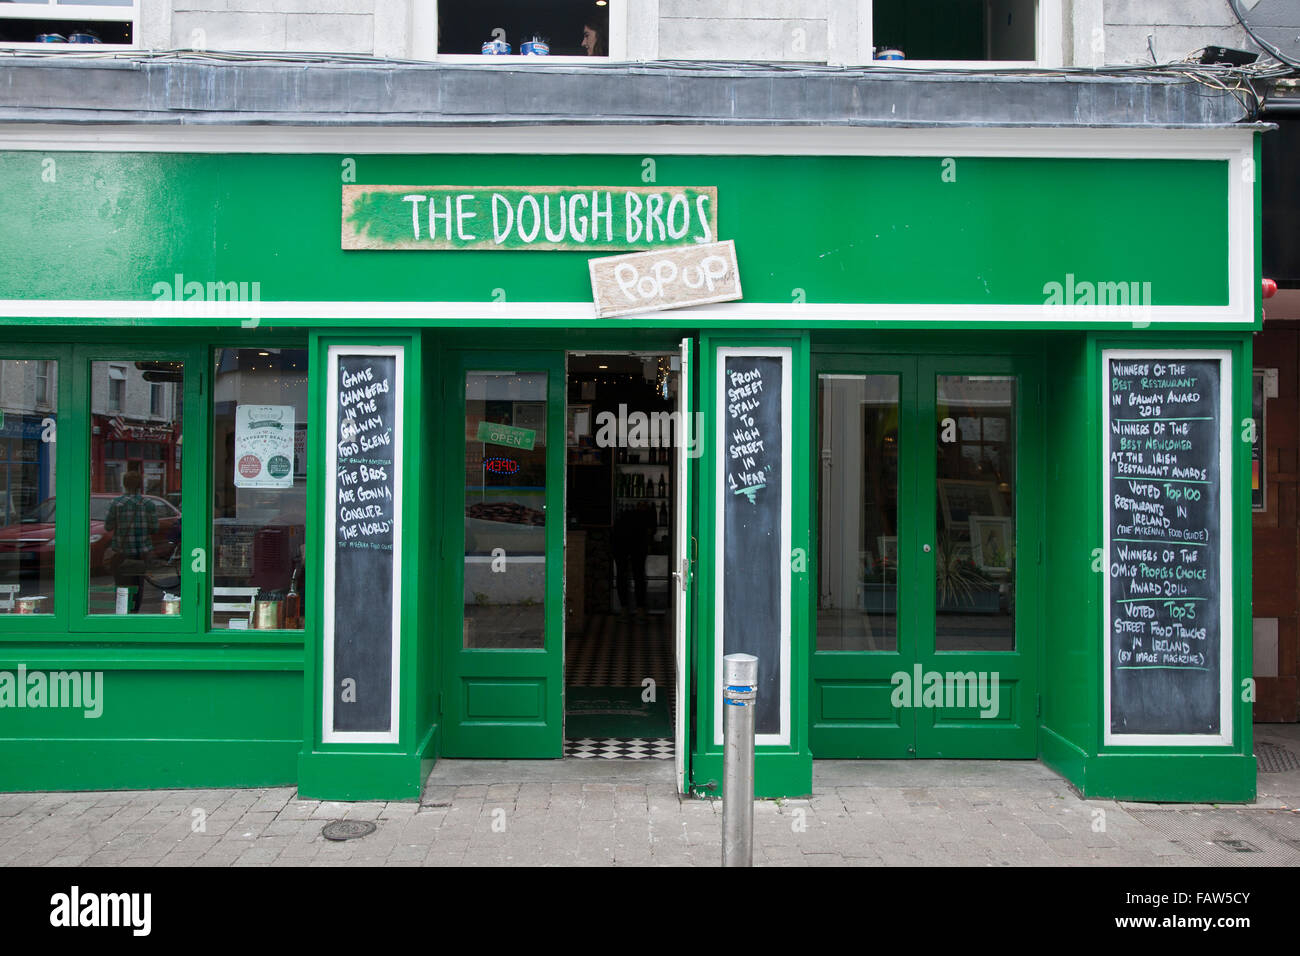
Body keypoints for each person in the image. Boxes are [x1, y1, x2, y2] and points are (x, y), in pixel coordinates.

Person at [104, 471, 157, 613]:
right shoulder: (148, 504)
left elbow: (108, 526)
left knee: (121, 587)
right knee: (137, 587)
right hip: (140, 554)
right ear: (140, 485)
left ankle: (122, 615)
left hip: (121, 554)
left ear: (124, 484)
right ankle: (134, 615)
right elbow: (154, 528)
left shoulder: (116, 503)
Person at [612, 501, 653, 618]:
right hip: (632, 546)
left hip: (620, 545)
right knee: (639, 576)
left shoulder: (625, 516)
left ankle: (624, 609)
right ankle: (639, 609)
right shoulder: (644, 518)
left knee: (622, 575)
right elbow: (649, 533)